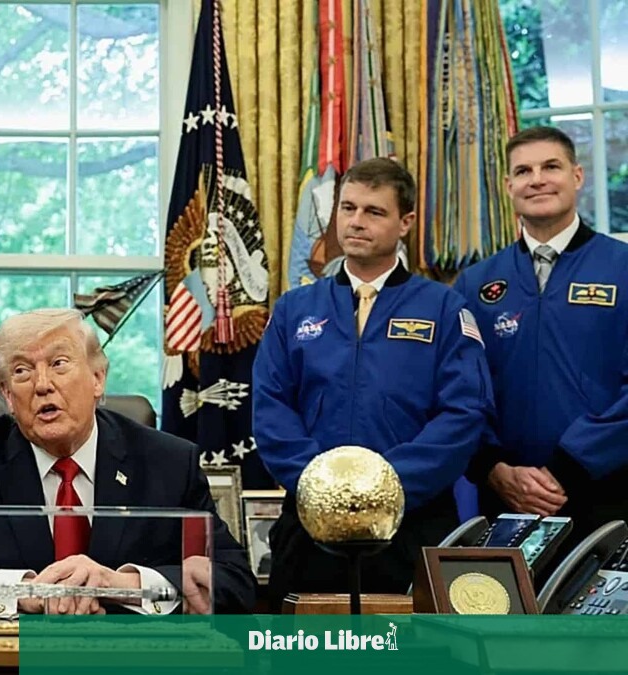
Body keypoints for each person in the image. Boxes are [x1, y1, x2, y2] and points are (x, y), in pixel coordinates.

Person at [0, 308, 257, 615]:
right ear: (8, 396)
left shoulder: (168, 462)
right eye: (22, 371)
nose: (42, 384)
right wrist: (17, 591)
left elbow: (236, 582)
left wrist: (120, 585)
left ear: (97, 378)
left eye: (59, 363)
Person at [253, 158, 494, 607]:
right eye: (348, 208)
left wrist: (382, 487)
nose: (356, 222)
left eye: (374, 211)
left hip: (412, 523)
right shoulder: (294, 310)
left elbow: (464, 413)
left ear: (405, 222)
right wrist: (323, 486)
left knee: (411, 645)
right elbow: (271, 408)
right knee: (303, 643)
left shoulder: (444, 308)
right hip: (310, 525)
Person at [454, 126, 628, 543]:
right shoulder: (475, 283)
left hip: (608, 495)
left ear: (577, 176)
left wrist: (571, 466)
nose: (537, 180)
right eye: (523, 171)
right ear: (508, 186)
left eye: (551, 167)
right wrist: (492, 468)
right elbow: (459, 390)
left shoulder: (621, 267)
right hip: (505, 499)